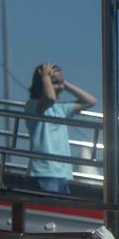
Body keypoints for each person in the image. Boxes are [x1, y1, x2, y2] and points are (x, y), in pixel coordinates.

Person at [23, 63, 96, 195]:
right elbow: (49, 98)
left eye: (61, 82)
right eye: (55, 83)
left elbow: (90, 101)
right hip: (43, 173)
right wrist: (45, 76)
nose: (60, 87)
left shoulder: (61, 108)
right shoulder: (33, 106)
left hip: (62, 174)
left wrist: (64, 84)